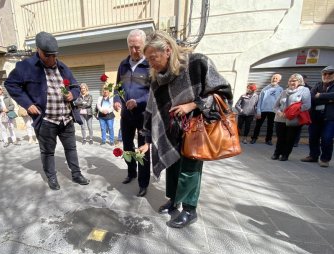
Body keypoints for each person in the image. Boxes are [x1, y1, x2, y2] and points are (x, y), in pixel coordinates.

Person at [138, 31, 232, 228]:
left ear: (168, 51)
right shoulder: (157, 79)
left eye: (153, 58)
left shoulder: (197, 63)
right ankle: (174, 200)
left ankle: (190, 210)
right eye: (148, 59)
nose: (151, 64)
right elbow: (152, 109)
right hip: (172, 130)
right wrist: (147, 140)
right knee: (172, 166)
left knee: (190, 170)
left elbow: (223, 93)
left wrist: (193, 105)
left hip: (195, 130)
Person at [4, 31, 90, 190]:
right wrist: (27, 103)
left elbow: (75, 86)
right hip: (46, 121)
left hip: (66, 118)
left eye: (54, 55)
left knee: (71, 148)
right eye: (47, 55)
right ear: (38, 50)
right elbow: (10, 84)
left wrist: (73, 94)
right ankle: (51, 177)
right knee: (48, 152)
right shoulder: (26, 66)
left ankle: (76, 174)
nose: (52, 59)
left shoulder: (62, 66)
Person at [113, 29, 151, 197]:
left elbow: (154, 92)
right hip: (126, 116)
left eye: (137, 47)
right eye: (131, 47)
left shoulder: (150, 65)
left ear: (144, 45)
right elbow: (117, 87)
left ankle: (143, 183)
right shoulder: (123, 64)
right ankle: (131, 173)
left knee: (143, 149)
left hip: (143, 116)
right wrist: (116, 99)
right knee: (128, 146)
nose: (134, 50)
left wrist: (138, 101)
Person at [271, 74, 311, 161]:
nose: (291, 82)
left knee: (290, 138)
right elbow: (275, 106)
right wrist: (279, 113)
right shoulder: (284, 91)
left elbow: (307, 105)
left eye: (294, 81)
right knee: (280, 137)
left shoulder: (304, 90)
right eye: (290, 80)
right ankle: (277, 153)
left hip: (293, 119)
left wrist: (292, 112)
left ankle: (285, 155)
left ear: (300, 82)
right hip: (280, 118)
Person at [301, 65, 334, 167]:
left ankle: (325, 159)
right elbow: (310, 96)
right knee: (313, 137)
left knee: (327, 138)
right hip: (315, 116)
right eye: (325, 73)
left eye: (330, 73)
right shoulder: (317, 85)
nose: (327, 75)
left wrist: (320, 95)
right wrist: (329, 99)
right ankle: (313, 156)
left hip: (330, 118)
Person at [250, 74, 283, 145]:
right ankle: (254, 138)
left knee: (270, 126)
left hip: (273, 111)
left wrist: (279, 111)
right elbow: (260, 101)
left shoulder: (280, 90)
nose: (274, 79)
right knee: (258, 125)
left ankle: (268, 140)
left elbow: (281, 101)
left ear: (279, 80)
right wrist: (258, 111)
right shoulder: (265, 89)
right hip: (263, 110)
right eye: (273, 78)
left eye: (276, 78)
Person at [293, 74, 313, 147]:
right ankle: (290, 141)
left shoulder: (309, 88)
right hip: (292, 111)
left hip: (302, 111)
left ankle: (295, 142)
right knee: (291, 126)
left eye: (303, 79)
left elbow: (309, 102)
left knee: (298, 127)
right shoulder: (293, 87)